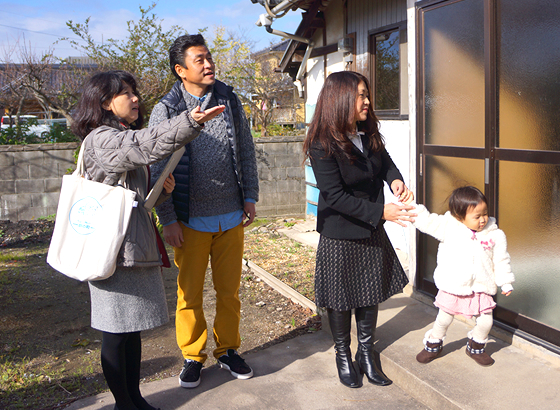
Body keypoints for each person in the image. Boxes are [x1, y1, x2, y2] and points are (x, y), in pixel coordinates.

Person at [71, 70, 224, 410]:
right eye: (126, 93)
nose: (135, 98)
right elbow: (143, 145)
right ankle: (123, 404)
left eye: (134, 91)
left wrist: (158, 191)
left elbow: (131, 195)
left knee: (132, 330)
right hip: (111, 252)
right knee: (115, 332)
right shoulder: (102, 138)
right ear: (105, 102)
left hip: (131, 247)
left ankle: (135, 399)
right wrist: (190, 121)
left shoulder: (121, 135)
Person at [149, 34, 259, 388]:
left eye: (209, 57)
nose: (209, 64)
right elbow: (157, 168)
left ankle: (227, 350)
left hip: (230, 215)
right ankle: (193, 355)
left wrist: (250, 196)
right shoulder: (166, 109)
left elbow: (245, 149)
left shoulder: (228, 98)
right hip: (189, 219)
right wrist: (168, 219)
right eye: (199, 60)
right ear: (181, 70)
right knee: (189, 294)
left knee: (229, 292)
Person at [303, 71, 415, 388]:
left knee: (369, 293)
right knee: (341, 299)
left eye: (367, 95)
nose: (367, 102)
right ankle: (343, 354)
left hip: (371, 228)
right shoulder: (322, 144)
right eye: (361, 95)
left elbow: (386, 162)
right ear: (341, 100)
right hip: (340, 231)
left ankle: (366, 353)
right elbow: (334, 196)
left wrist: (395, 180)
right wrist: (383, 212)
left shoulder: (368, 134)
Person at [405, 186, 514, 366]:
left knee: (486, 322)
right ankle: (433, 344)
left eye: (485, 214)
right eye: (477, 217)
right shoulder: (449, 227)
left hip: (481, 286)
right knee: (444, 318)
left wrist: (506, 282)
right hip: (453, 285)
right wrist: (410, 205)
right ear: (459, 216)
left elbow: (501, 260)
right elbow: (427, 221)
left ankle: (475, 346)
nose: (483, 220)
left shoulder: (495, 235)